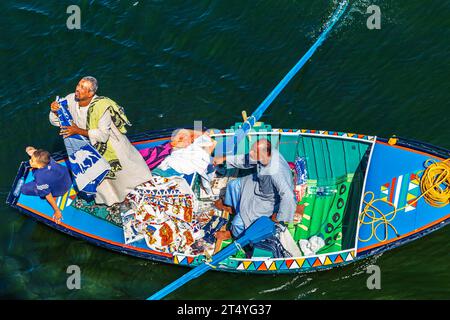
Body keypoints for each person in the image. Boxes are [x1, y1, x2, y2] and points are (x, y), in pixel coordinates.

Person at [49, 76, 152, 206]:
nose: (77, 89)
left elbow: (103, 135)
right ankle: (111, 200)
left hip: (111, 146)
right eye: (78, 85)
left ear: (90, 93)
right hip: (89, 148)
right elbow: (57, 121)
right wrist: (55, 111)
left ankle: (136, 191)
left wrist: (77, 131)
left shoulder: (101, 107)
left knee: (122, 174)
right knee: (102, 179)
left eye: (82, 88)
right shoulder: (70, 99)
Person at [213, 139, 297, 240]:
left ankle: (234, 235)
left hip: (268, 201)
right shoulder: (268, 155)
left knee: (237, 223)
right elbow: (246, 160)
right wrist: (225, 159)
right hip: (258, 183)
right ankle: (235, 208)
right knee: (233, 185)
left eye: (254, 151)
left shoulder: (276, 173)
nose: (251, 153)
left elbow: (289, 197)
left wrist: (280, 218)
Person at [21, 147, 72, 224]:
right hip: (68, 181)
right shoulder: (49, 159)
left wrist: (57, 211)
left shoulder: (40, 177)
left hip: (59, 191)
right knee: (29, 149)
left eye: (32, 160)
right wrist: (34, 152)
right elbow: (30, 149)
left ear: (39, 165)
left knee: (24, 189)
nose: (29, 161)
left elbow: (47, 194)